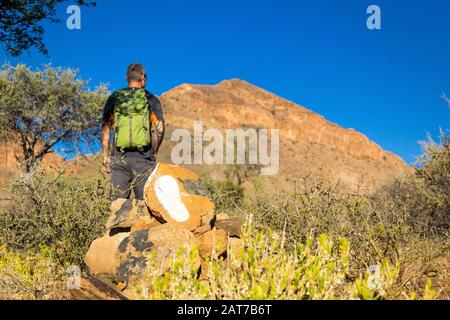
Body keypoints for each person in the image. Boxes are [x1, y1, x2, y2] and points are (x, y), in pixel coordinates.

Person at [101, 63, 165, 201]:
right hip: (143, 158)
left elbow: (106, 127)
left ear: (126, 78)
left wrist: (105, 156)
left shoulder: (114, 98)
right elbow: (159, 128)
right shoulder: (150, 99)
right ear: (142, 76)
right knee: (146, 206)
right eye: (146, 76)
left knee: (116, 206)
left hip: (119, 159)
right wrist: (154, 151)